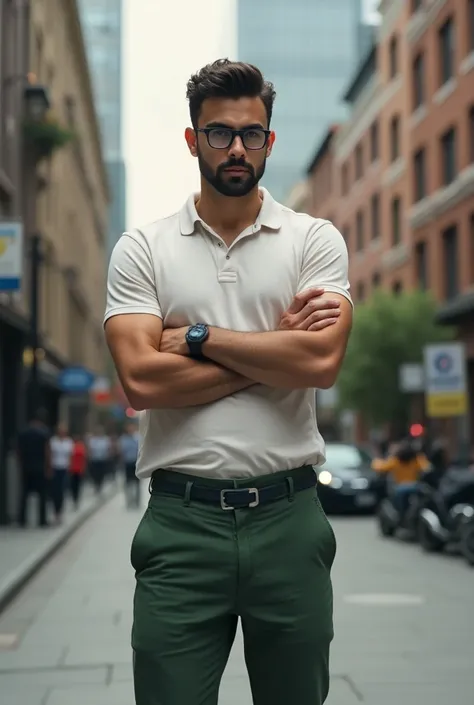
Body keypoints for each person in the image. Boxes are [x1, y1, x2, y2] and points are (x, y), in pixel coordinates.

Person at [104, 59, 353, 705]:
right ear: (193, 140)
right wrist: (272, 353)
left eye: (252, 133)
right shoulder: (143, 247)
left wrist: (195, 336)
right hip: (181, 523)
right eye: (219, 133)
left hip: (290, 520)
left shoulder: (314, 240)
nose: (236, 147)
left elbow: (321, 363)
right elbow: (139, 378)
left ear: (271, 139)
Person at [372, 438, 430, 515]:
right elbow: (427, 467)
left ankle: (401, 513)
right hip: (414, 486)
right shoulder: (415, 460)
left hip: (399, 488)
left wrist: (376, 460)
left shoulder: (395, 460)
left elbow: (380, 467)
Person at [17, 409, 51, 527]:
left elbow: (19, 452)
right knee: (42, 495)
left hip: (26, 467)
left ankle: (22, 520)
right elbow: (47, 452)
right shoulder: (43, 433)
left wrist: (21, 465)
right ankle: (42, 520)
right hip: (40, 467)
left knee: (24, 495)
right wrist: (48, 467)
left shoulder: (23, 433)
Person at [49, 424, 74, 524]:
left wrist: (70, 468)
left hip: (64, 469)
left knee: (62, 491)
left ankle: (60, 512)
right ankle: (55, 511)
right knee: (55, 491)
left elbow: (70, 456)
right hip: (55, 468)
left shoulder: (69, 442)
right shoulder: (53, 441)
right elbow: (49, 454)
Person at [119, 423, 141, 508]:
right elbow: (121, 451)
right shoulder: (123, 439)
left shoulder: (138, 438)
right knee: (128, 483)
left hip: (136, 463)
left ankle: (136, 501)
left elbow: (141, 450)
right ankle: (129, 501)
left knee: (137, 483)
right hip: (127, 463)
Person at [87, 426, 111, 495]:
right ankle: (96, 484)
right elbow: (90, 449)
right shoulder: (93, 440)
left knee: (101, 474)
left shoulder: (105, 439)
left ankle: (100, 484)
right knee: (95, 474)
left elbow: (108, 449)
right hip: (95, 460)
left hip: (102, 460)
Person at [69, 435, 87, 509]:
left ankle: (76, 499)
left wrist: (83, 468)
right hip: (72, 469)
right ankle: (74, 498)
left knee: (78, 486)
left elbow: (84, 458)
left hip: (79, 469)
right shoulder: (71, 446)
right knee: (73, 486)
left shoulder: (81, 447)